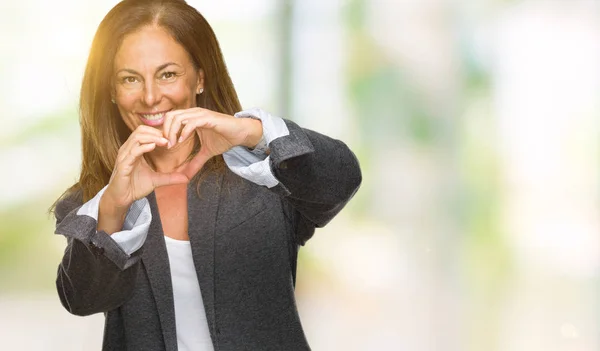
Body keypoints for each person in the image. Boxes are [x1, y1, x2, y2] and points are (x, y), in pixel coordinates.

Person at [51, 0, 361, 350]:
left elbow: (341, 180)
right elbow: (82, 300)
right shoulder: (92, 203)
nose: (151, 97)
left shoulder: (260, 172)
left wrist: (250, 133)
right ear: (111, 91)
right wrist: (113, 207)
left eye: (168, 74)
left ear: (200, 77)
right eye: (130, 79)